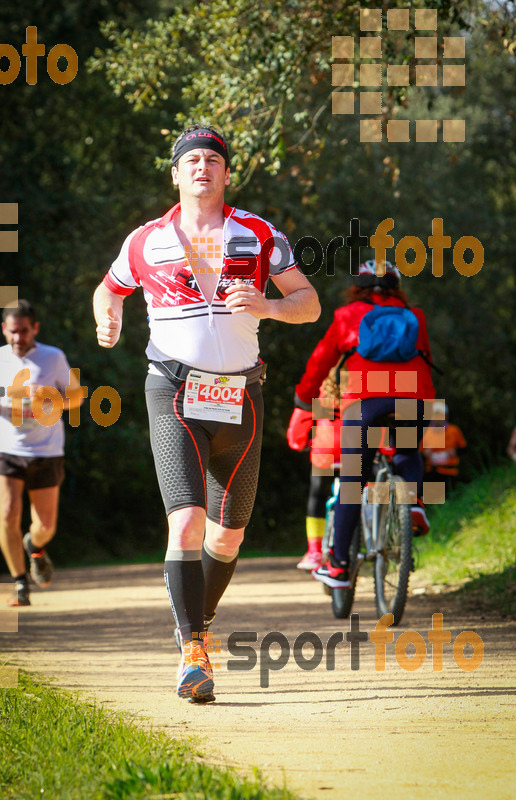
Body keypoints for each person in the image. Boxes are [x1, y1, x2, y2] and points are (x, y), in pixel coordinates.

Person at [93, 123, 320, 703]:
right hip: (171, 390)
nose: (201, 166)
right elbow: (109, 289)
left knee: (229, 536)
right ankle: (193, 650)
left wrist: (269, 303)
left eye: (212, 159)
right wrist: (108, 317)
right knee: (187, 522)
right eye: (190, 159)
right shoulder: (145, 241)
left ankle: (194, 622)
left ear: (225, 173)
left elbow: (310, 303)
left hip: (241, 394)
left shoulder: (260, 234)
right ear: (174, 173)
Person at [293, 260, 435, 590]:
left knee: (353, 482)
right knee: (407, 451)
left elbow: (320, 361)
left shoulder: (347, 316)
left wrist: (303, 399)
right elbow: (425, 357)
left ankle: (340, 567)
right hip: (414, 401)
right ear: (397, 287)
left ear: (357, 287)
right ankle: (412, 503)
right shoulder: (416, 316)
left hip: (363, 402)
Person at [0, 300, 84, 607]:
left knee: (46, 526)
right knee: (7, 515)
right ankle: (20, 583)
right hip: (6, 448)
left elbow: (76, 399)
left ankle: (34, 547)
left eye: (24, 331)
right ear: (4, 330)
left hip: (46, 450)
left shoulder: (53, 357)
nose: (18, 338)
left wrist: (49, 400)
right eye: (12, 332)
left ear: (35, 328)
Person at [287, 366, 343, 571]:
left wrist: (298, 442)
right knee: (362, 492)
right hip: (357, 452)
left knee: (317, 497)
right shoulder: (363, 389)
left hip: (326, 453)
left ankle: (314, 551)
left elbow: (302, 421)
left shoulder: (322, 394)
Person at [422, 401, 466, 493]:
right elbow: (420, 453)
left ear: (446, 416)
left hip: (451, 472)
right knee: (435, 500)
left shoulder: (454, 430)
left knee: (451, 498)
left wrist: (454, 452)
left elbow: (463, 449)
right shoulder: (426, 432)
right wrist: (425, 453)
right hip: (432, 473)